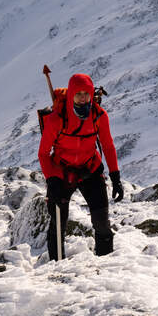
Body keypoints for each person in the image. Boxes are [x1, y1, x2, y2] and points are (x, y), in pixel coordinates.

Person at [38, 72, 123, 260]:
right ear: (71, 95)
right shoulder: (56, 119)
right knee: (58, 223)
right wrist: (52, 179)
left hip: (90, 169)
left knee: (102, 222)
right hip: (62, 172)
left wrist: (115, 177)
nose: (83, 98)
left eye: (86, 93)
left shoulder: (99, 116)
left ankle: (105, 264)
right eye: (78, 94)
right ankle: (56, 266)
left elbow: (108, 146)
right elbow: (43, 154)